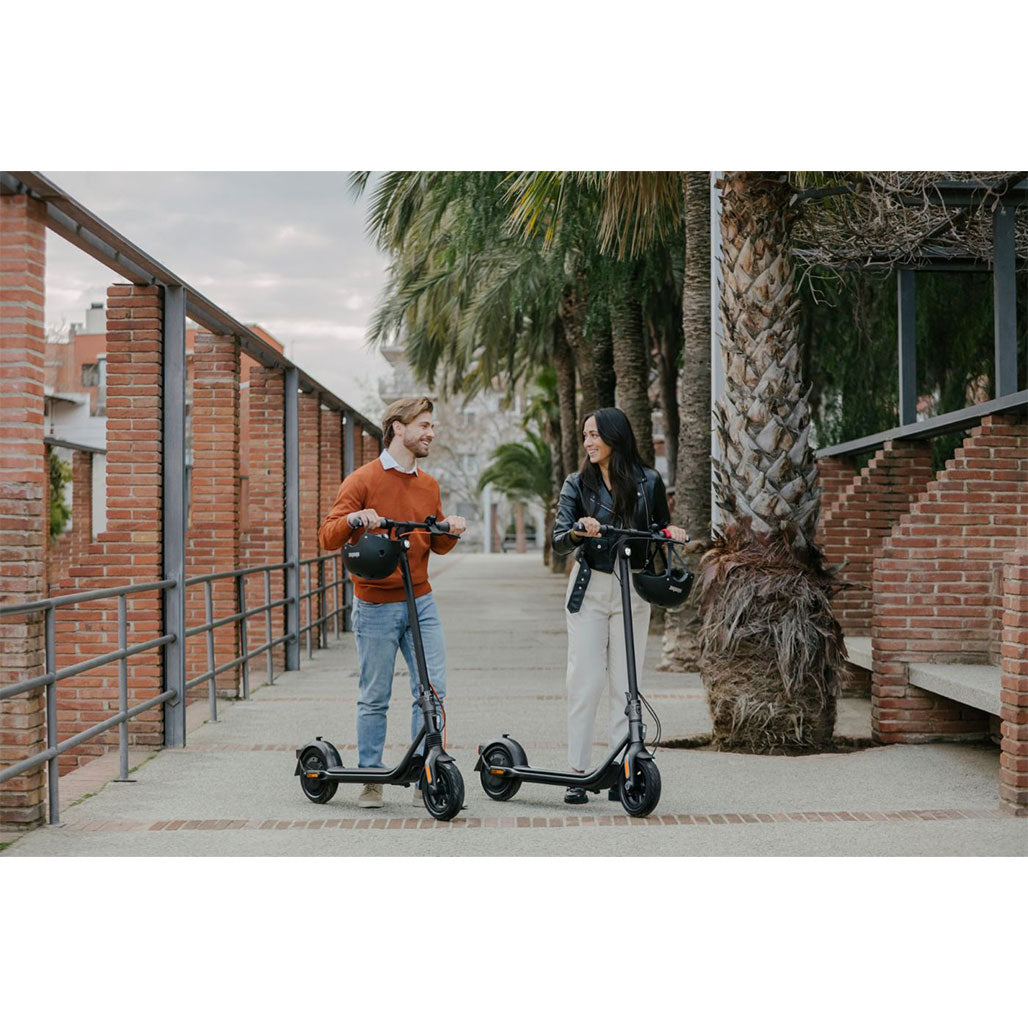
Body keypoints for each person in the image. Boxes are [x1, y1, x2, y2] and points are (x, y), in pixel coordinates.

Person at [318, 397, 466, 808]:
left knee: (432, 690)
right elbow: (327, 535)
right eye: (423, 425)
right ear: (397, 428)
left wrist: (450, 529)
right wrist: (354, 519)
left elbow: (435, 545)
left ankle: (427, 774)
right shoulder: (363, 480)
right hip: (376, 605)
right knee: (374, 695)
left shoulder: (429, 485)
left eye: (432, 426)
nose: (430, 433)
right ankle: (370, 777)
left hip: (421, 600)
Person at [551, 407, 688, 804]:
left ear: (615, 436)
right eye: (584, 436)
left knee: (627, 683)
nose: (588, 442)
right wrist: (579, 530)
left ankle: (623, 770)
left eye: (594, 434)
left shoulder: (648, 481)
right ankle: (578, 771)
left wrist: (670, 533)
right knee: (586, 681)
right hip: (590, 587)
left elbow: (658, 527)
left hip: (633, 589)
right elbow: (559, 538)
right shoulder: (577, 484)